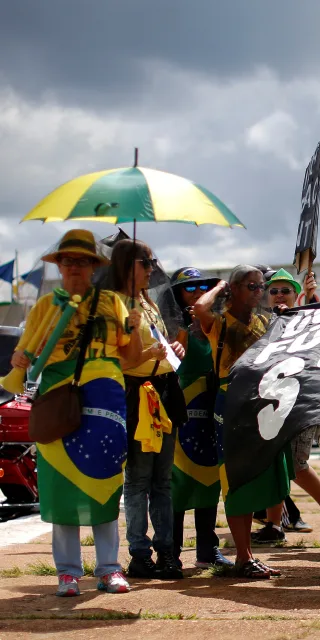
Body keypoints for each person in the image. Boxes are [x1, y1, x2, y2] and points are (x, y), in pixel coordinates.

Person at [11, 229, 141, 596]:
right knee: (61, 489)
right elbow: (22, 364)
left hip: (106, 398)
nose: (74, 267)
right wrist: (19, 359)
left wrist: (135, 330)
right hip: (57, 402)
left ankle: (109, 569)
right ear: (59, 264)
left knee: (105, 483)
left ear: (93, 266)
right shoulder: (44, 306)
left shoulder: (115, 303)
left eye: (82, 261)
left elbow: (130, 360)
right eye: (67, 260)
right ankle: (67, 573)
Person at [194, 266, 291, 579]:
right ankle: (242, 558)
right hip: (230, 401)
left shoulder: (264, 321)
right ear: (234, 289)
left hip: (258, 401)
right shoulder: (219, 322)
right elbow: (199, 308)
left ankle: (246, 556)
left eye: (260, 286)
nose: (258, 292)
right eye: (251, 286)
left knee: (254, 479)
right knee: (236, 479)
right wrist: (220, 284)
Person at [251, 268, 320, 545]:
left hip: (303, 400)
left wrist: (311, 297)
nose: (279, 295)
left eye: (286, 291)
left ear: (296, 295)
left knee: (295, 463)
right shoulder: (263, 322)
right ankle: (274, 524)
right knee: (272, 462)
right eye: (274, 291)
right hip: (271, 401)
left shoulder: (306, 320)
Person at [109, 240, 187, 581]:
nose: (153, 268)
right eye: (146, 262)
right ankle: (140, 553)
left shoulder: (147, 302)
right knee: (139, 479)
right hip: (138, 394)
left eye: (153, 261)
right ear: (128, 265)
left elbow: (158, 344)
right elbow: (125, 360)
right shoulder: (118, 304)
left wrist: (171, 349)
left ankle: (168, 551)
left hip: (165, 392)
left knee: (162, 481)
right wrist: (150, 354)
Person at [169, 267, 233, 570]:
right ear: (176, 293)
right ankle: (171, 551)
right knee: (177, 482)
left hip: (210, 403)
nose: (196, 292)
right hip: (179, 404)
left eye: (201, 287)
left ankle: (208, 548)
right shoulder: (169, 324)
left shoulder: (215, 323)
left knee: (209, 477)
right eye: (188, 287)